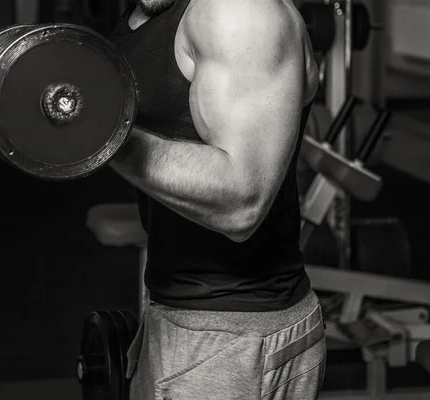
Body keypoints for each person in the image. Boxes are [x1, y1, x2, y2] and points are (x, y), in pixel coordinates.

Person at [107, 0, 326, 399]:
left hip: (233, 335)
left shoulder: (239, 12)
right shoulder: (142, 15)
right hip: (178, 313)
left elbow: (243, 200)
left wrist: (100, 134)